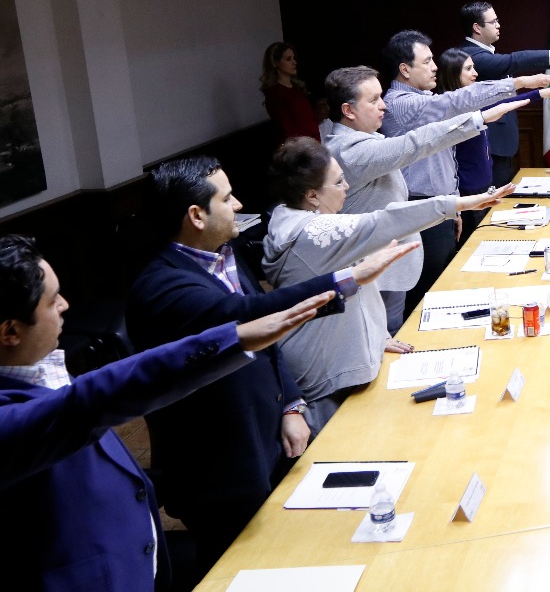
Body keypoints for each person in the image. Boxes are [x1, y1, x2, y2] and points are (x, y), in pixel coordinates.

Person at [127, 156, 416, 574]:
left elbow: (270, 344)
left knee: (295, 557)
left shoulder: (222, 255)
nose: (239, 204)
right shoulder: (163, 286)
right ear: (196, 215)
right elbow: (251, 315)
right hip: (221, 467)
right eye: (226, 198)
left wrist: (291, 405)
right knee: (242, 572)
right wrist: (347, 278)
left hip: (268, 439)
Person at [1, 234, 330, 592]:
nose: (65, 305)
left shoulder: (39, 363)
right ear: (11, 331)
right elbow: (97, 397)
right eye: (52, 301)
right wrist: (236, 339)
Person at [263, 137, 512, 433]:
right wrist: (457, 203)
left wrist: (377, 336)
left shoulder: (307, 220)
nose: (346, 187)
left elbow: (349, 290)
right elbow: (383, 221)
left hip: (351, 359)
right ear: (312, 195)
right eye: (339, 182)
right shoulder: (312, 232)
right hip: (325, 368)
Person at [324, 63, 524, 333]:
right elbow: (414, 144)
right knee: (389, 333)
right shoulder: (349, 150)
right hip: (373, 271)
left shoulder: (364, 138)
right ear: (348, 111)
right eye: (373, 100)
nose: (383, 106)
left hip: (388, 266)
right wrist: (478, 119)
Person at [380, 31, 550, 313]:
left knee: (442, 282)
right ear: (405, 69)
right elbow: (457, 101)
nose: (434, 67)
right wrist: (520, 82)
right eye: (427, 61)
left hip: (440, 205)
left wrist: (453, 206)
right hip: (419, 207)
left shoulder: (422, 98)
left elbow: (446, 158)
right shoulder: (402, 104)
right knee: (426, 292)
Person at [456, 1, 550, 187]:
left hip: (500, 144)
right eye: (493, 21)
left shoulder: (483, 52)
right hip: (488, 145)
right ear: (477, 28)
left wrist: (541, 92)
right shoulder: (469, 55)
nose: (499, 25)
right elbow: (513, 61)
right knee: (487, 205)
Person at [436, 47, 545, 245]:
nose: (475, 73)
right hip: (468, 191)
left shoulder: (473, 101)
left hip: (484, 185)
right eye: (468, 69)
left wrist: (541, 92)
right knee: (471, 244)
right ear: (453, 73)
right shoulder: (451, 109)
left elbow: (510, 101)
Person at [260, 41, 320, 146]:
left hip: (314, 142)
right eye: (288, 59)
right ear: (275, 63)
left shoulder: (297, 88)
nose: (294, 62)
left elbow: (306, 119)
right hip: (299, 149)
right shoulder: (275, 94)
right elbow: (287, 130)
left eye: (293, 58)